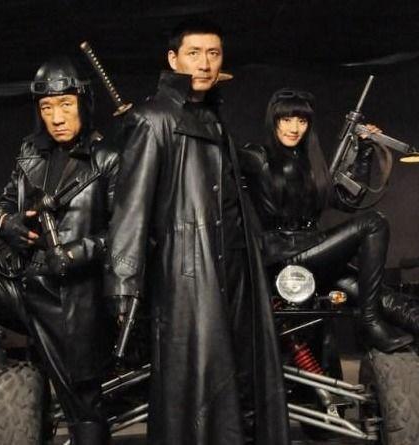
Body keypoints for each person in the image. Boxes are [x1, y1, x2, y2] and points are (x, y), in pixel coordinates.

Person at [108, 18, 290, 445]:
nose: (205, 64)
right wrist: (123, 286)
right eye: (194, 53)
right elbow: (131, 209)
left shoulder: (213, 118)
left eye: (213, 54)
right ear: (173, 59)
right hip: (188, 274)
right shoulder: (153, 119)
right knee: (192, 391)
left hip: (234, 269)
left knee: (241, 380)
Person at [0, 57, 118, 444]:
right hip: (22, 283)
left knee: (84, 409)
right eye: (47, 107)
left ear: (83, 104)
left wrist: (75, 252)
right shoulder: (30, 152)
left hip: (71, 300)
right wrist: (7, 224)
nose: (57, 117)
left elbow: (127, 233)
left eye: (65, 104)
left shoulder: (108, 159)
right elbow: (0, 206)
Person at [241, 88, 419, 352]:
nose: (294, 128)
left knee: (382, 298)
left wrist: (364, 152)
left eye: (302, 121)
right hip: (283, 254)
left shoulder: (309, 163)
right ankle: (370, 322)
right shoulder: (256, 156)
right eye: (286, 119)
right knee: (373, 222)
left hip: (314, 249)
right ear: (274, 121)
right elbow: (223, 160)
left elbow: (347, 202)